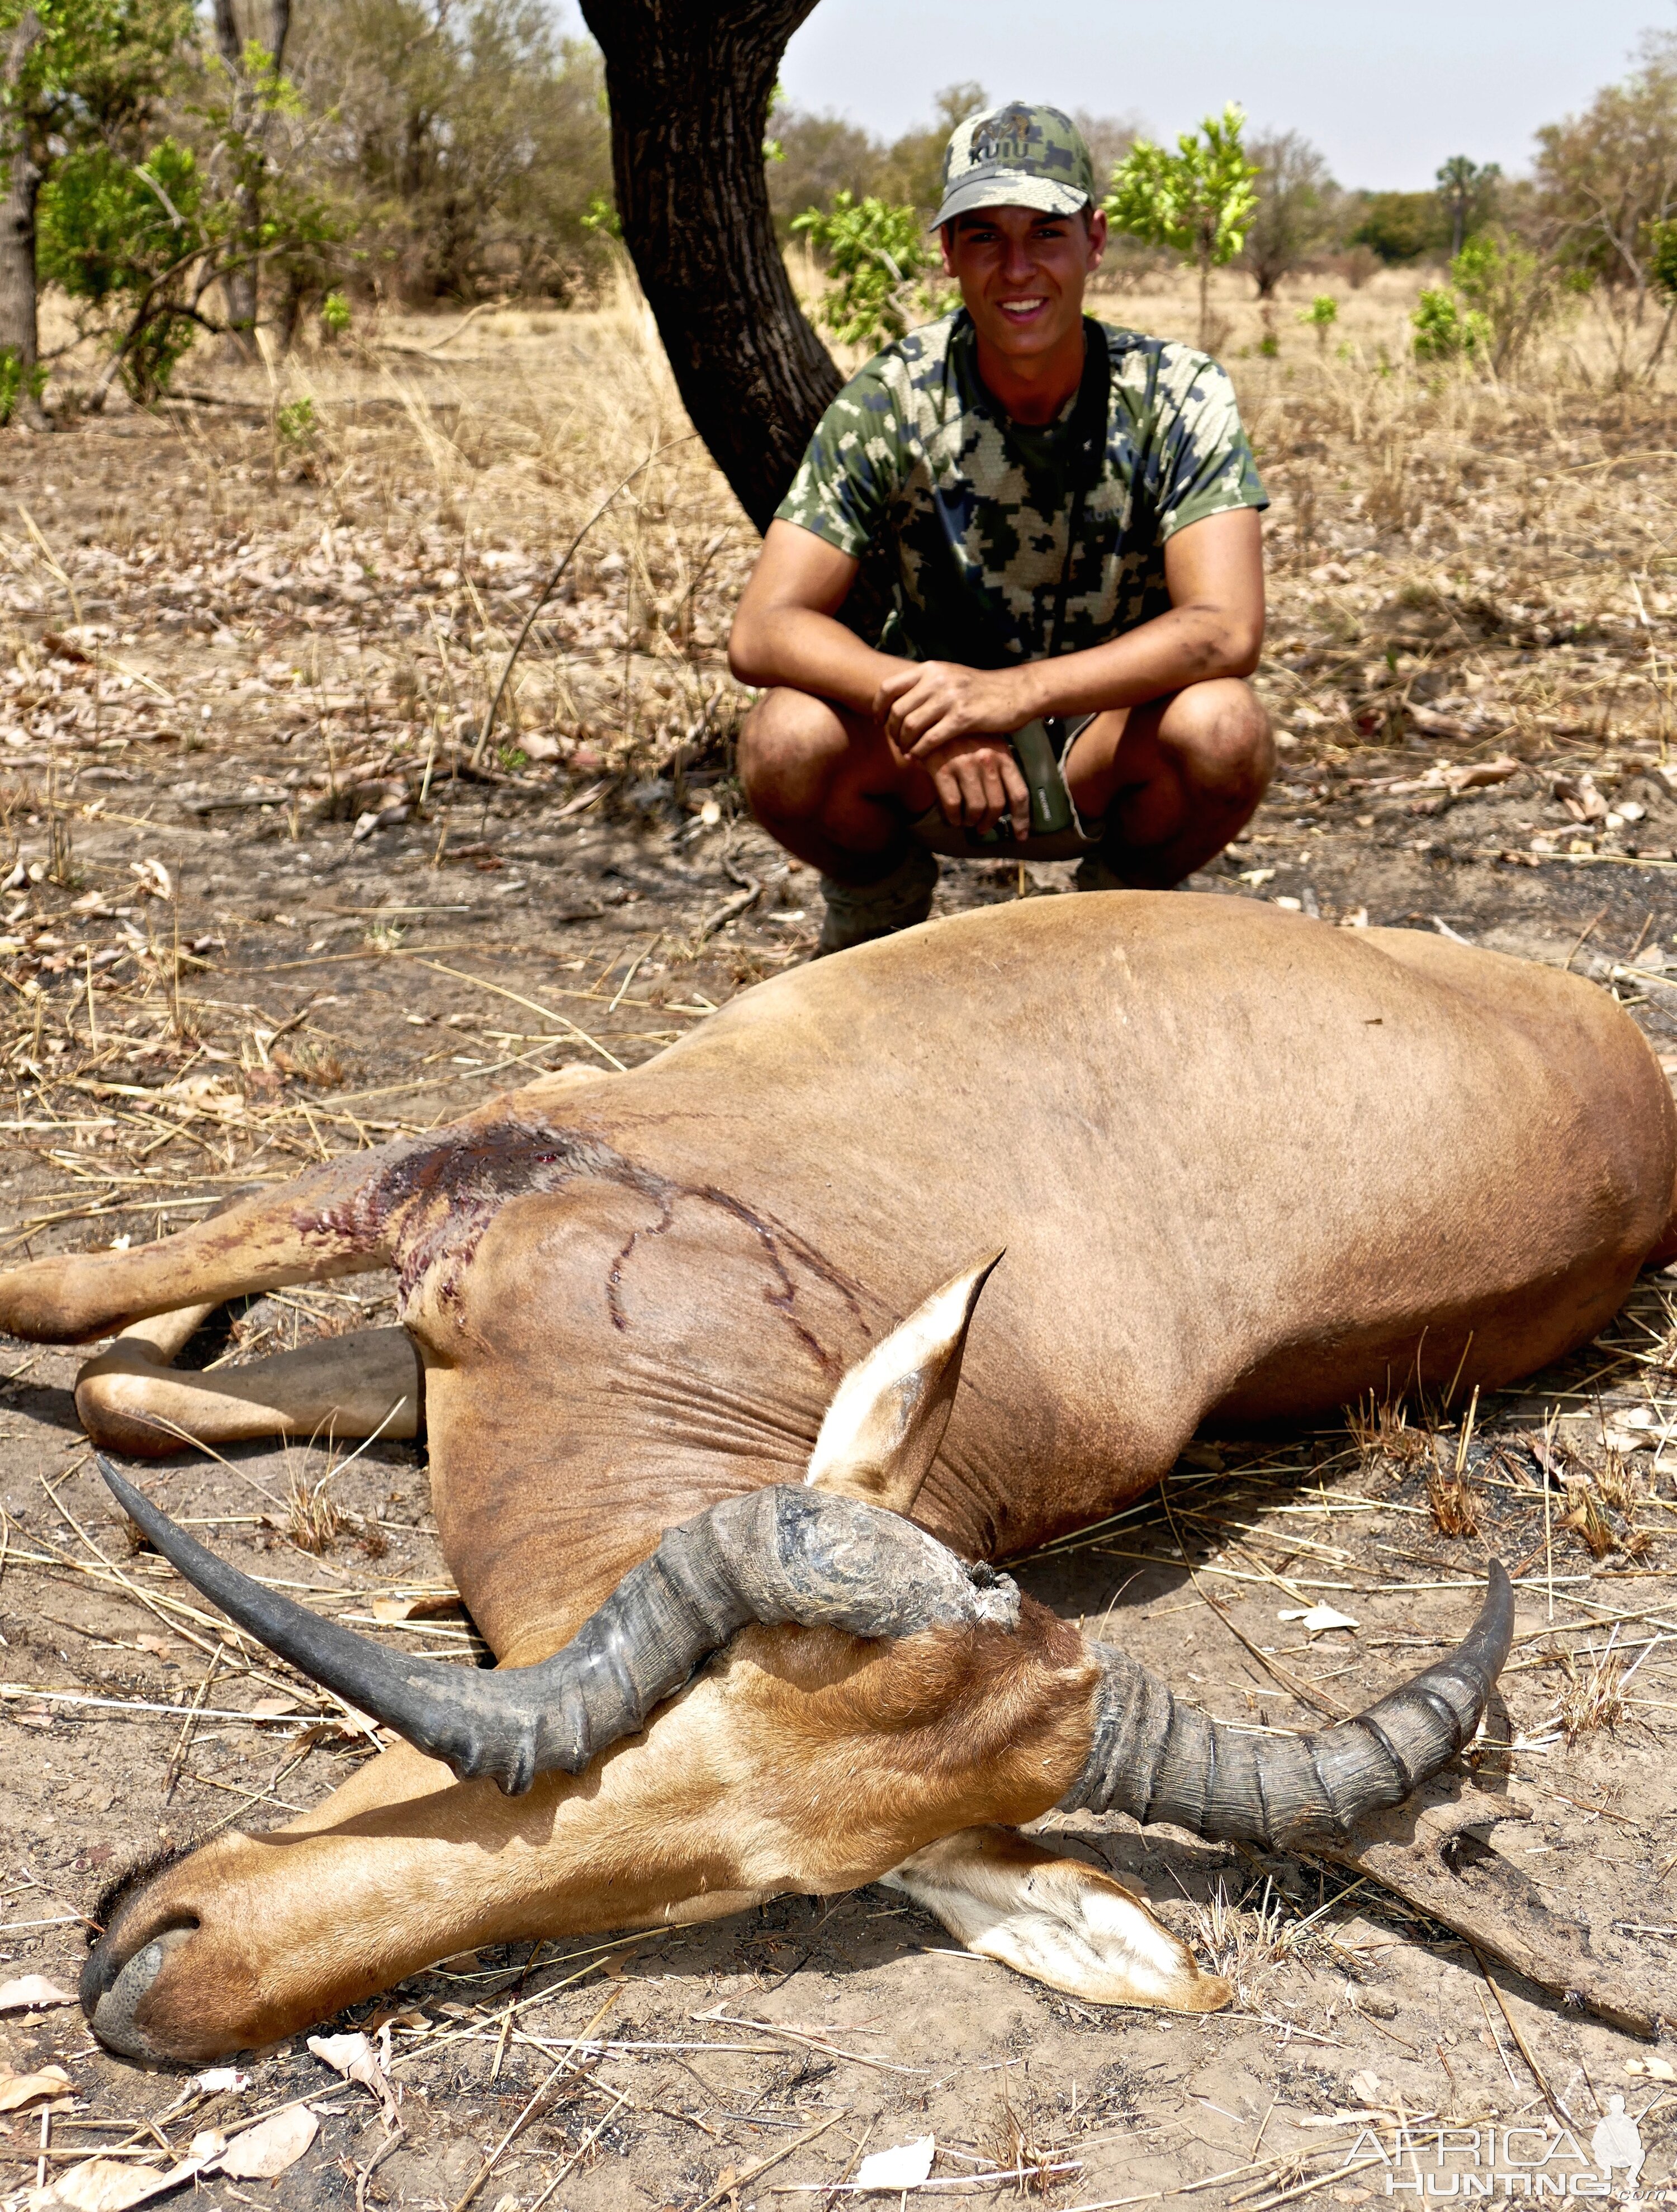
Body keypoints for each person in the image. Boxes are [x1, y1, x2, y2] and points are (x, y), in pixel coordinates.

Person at [728, 99, 1273, 954]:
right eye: (984, 236)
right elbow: (763, 630)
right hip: (934, 762)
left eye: (1046, 234)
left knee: (1224, 729)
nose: (1017, 269)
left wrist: (1016, 693)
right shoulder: (893, 396)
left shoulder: (1179, 392)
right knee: (783, 738)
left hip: (1104, 744)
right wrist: (925, 711)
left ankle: (1117, 916)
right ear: (948, 253)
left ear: (1094, 240)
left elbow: (1226, 628)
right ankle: (878, 903)